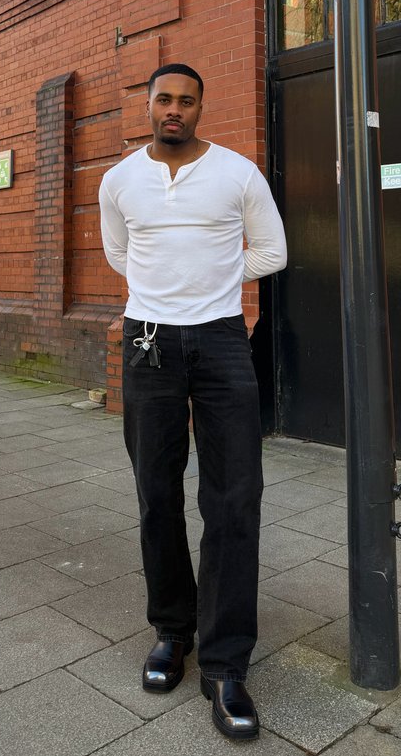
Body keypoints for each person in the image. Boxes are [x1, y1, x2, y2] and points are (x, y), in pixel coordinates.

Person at [98, 63, 287, 742]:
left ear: (201, 106)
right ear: (148, 105)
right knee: (156, 491)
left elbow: (272, 251)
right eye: (163, 99)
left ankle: (226, 662)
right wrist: (165, 289)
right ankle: (172, 631)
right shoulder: (119, 181)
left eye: (186, 100)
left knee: (235, 498)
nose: (173, 109)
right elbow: (119, 255)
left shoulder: (237, 173)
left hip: (222, 341)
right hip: (148, 340)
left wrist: (214, 278)